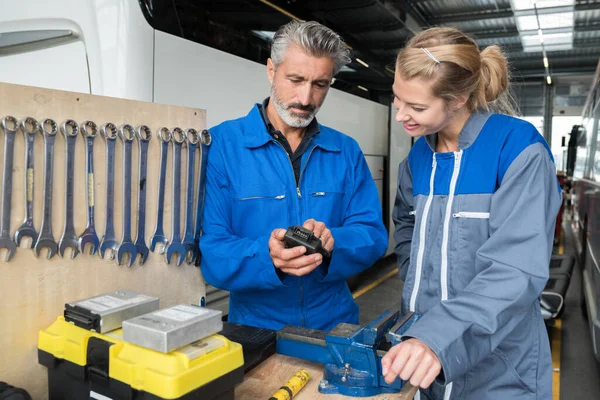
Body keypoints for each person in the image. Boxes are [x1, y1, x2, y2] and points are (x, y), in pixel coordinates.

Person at [382, 27, 561, 399]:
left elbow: (516, 270)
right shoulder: (418, 158)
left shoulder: (516, 151)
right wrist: (418, 275)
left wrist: (437, 338)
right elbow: (405, 224)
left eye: (416, 107)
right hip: (423, 361)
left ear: (459, 98)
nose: (401, 115)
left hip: (499, 372)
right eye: (398, 99)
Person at [200, 20, 388, 331]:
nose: (306, 98)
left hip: (335, 326)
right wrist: (266, 255)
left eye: (320, 84)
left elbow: (373, 236)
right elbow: (212, 253)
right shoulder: (221, 146)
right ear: (271, 70)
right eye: (296, 79)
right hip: (256, 330)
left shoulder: (346, 151)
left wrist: (333, 242)